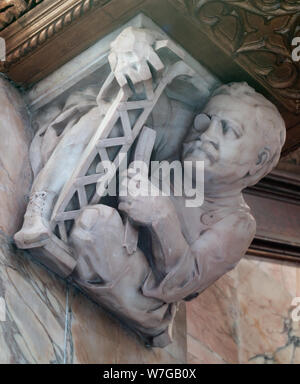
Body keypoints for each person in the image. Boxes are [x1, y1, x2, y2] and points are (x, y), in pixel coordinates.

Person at [14, 27, 286, 346]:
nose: (205, 132)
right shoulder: (185, 130)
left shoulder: (237, 224)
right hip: (110, 230)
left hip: (142, 285)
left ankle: (146, 315)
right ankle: (42, 205)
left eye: (227, 129)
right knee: (100, 115)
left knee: (94, 228)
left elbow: (182, 281)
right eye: (207, 120)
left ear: (258, 161)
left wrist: (160, 215)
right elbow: (136, 95)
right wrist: (133, 46)